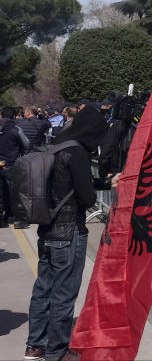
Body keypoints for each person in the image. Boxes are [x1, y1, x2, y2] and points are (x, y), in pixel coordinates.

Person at [25, 106, 110, 361]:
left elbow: (66, 185)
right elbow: (86, 197)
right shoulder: (78, 152)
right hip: (69, 232)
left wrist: (104, 182)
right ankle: (57, 351)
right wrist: (97, 188)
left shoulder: (58, 145)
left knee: (43, 289)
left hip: (47, 229)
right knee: (64, 294)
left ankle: (35, 345)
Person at [0, 106, 31, 228]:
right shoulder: (16, 129)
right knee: (16, 193)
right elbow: (26, 144)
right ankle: (18, 220)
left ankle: (1, 220)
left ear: (1, 115)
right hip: (10, 165)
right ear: (14, 116)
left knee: (1, 193)